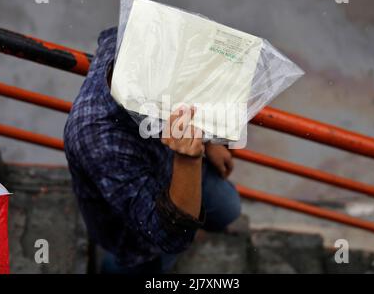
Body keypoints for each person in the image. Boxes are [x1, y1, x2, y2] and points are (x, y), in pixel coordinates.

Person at [63, 27, 241, 274]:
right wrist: (188, 159)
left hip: (178, 169)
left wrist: (209, 141)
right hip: (137, 236)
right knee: (145, 263)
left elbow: (108, 35)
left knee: (229, 208)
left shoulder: (128, 43)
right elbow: (170, 237)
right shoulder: (98, 141)